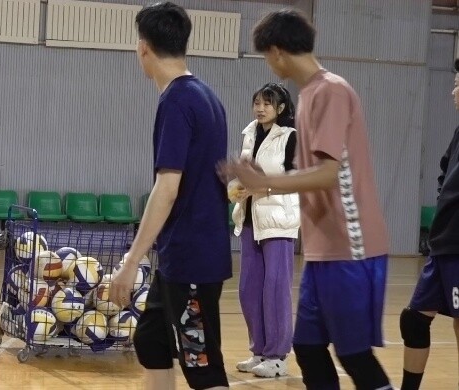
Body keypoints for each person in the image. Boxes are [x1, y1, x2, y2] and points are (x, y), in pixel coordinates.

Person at [217, 9, 393, 389]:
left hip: (351, 246)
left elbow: (330, 173)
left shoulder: (330, 90)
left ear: (277, 51)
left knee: (353, 354)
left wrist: (263, 183)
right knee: (309, 348)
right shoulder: (311, 94)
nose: (268, 63)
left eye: (266, 55)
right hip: (322, 249)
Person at [109, 2, 231, 389]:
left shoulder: (178, 100)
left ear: (143, 47)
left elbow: (168, 186)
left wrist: (130, 261)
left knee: (202, 367)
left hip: (192, 261)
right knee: (152, 342)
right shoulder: (206, 95)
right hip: (181, 258)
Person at [229, 82, 299, 378]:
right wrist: (236, 188)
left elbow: (298, 180)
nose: (260, 108)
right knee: (249, 290)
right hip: (249, 220)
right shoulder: (249, 133)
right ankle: (258, 350)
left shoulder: (291, 137)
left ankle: (277, 356)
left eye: (267, 104)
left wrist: (263, 186)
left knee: (275, 289)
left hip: (278, 223)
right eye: (257, 102)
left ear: (280, 108)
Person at [399, 58, 459, 390]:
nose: (453, 90)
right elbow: (443, 174)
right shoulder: (458, 132)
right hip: (443, 245)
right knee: (414, 320)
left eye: (457, 83)